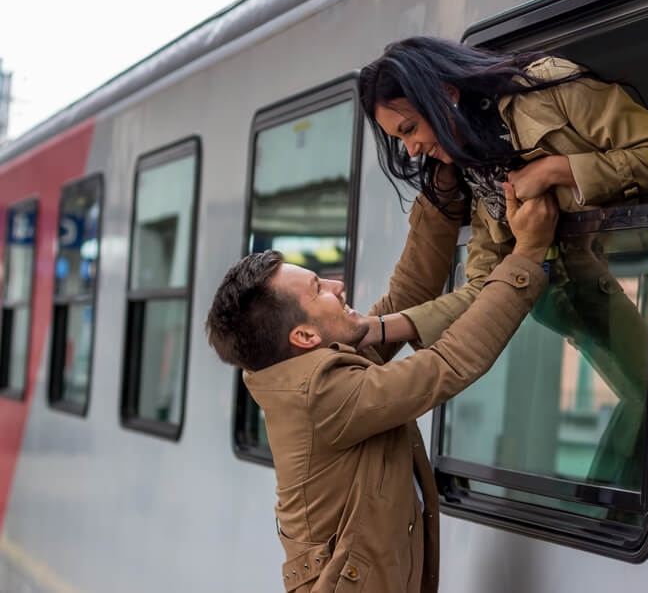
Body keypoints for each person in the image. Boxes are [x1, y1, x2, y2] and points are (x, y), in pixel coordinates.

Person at [205, 181, 557, 593]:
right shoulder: (325, 395)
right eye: (319, 289)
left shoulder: (307, 369)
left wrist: (439, 200)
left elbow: (401, 302)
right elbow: (445, 365)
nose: (337, 286)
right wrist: (527, 256)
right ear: (304, 336)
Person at [358, 36, 648, 489]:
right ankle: (598, 506)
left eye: (408, 129)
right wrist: (377, 329)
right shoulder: (475, 166)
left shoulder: (548, 88)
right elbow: (481, 290)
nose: (411, 151)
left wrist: (556, 169)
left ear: (446, 95)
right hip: (562, 307)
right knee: (646, 399)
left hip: (597, 288)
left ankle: (600, 508)